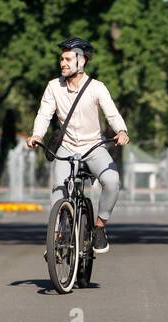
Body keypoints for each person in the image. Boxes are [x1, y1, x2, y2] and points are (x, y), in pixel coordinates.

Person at [27, 38, 130, 253]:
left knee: (112, 180)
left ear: (81, 62)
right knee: (58, 192)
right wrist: (37, 135)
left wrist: (121, 131)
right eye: (61, 59)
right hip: (67, 147)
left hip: (93, 147)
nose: (62, 63)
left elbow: (111, 113)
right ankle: (55, 241)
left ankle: (100, 227)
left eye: (67, 59)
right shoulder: (53, 87)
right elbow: (44, 114)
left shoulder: (97, 88)